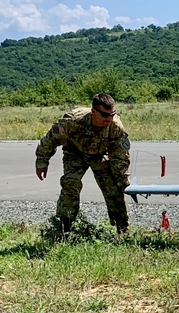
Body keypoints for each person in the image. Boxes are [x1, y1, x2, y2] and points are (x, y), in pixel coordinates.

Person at [36, 93, 132, 234]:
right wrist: (42, 162)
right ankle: (65, 227)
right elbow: (50, 140)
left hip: (100, 154)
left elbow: (120, 157)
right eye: (105, 115)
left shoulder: (116, 127)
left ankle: (122, 230)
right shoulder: (72, 121)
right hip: (75, 152)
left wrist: (123, 181)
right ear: (93, 112)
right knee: (70, 183)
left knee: (113, 188)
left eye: (112, 114)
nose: (109, 119)